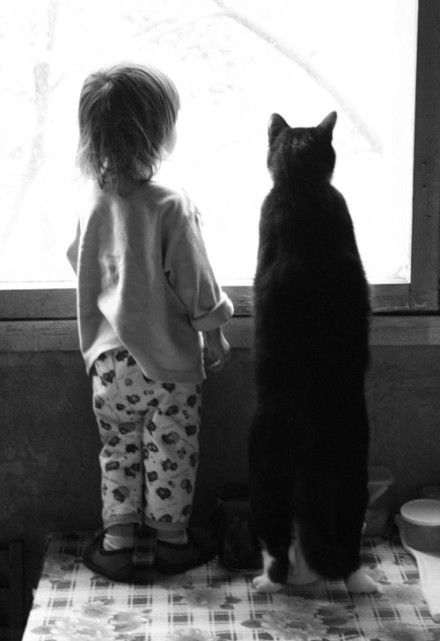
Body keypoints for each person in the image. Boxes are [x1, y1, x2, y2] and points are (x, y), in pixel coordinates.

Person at [67, 62, 234, 582]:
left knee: (118, 450)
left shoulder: (92, 201)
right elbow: (195, 278)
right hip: (166, 364)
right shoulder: (170, 204)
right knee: (171, 453)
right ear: (158, 131)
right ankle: (172, 543)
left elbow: (78, 259)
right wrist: (213, 332)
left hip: (108, 364)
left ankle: (116, 544)